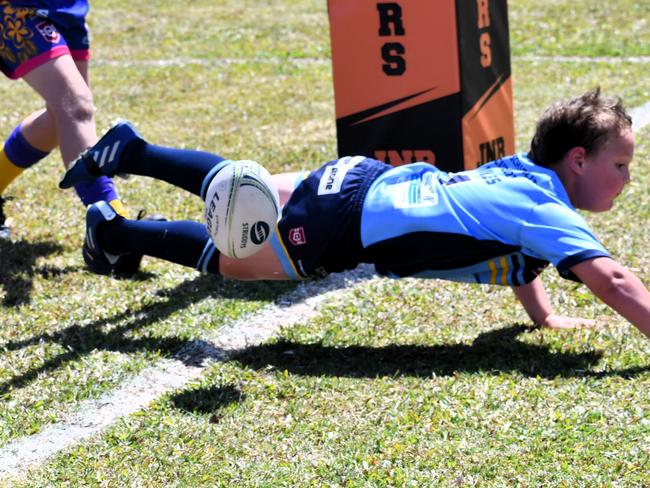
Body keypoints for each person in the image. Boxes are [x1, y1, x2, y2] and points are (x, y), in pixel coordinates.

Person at [59, 89, 650, 338]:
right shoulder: (546, 208)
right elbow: (617, 281)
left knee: (252, 194)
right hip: (348, 224)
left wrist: (542, 318)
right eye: (620, 166)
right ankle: (115, 228)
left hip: (365, 179)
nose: (626, 179)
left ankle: (133, 155)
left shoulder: (526, 175)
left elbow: (518, 256)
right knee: (242, 259)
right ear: (577, 160)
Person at [0, 0, 157, 273]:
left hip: (65, 6)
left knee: (58, 120)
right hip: (16, 8)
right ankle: (113, 233)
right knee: (75, 105)